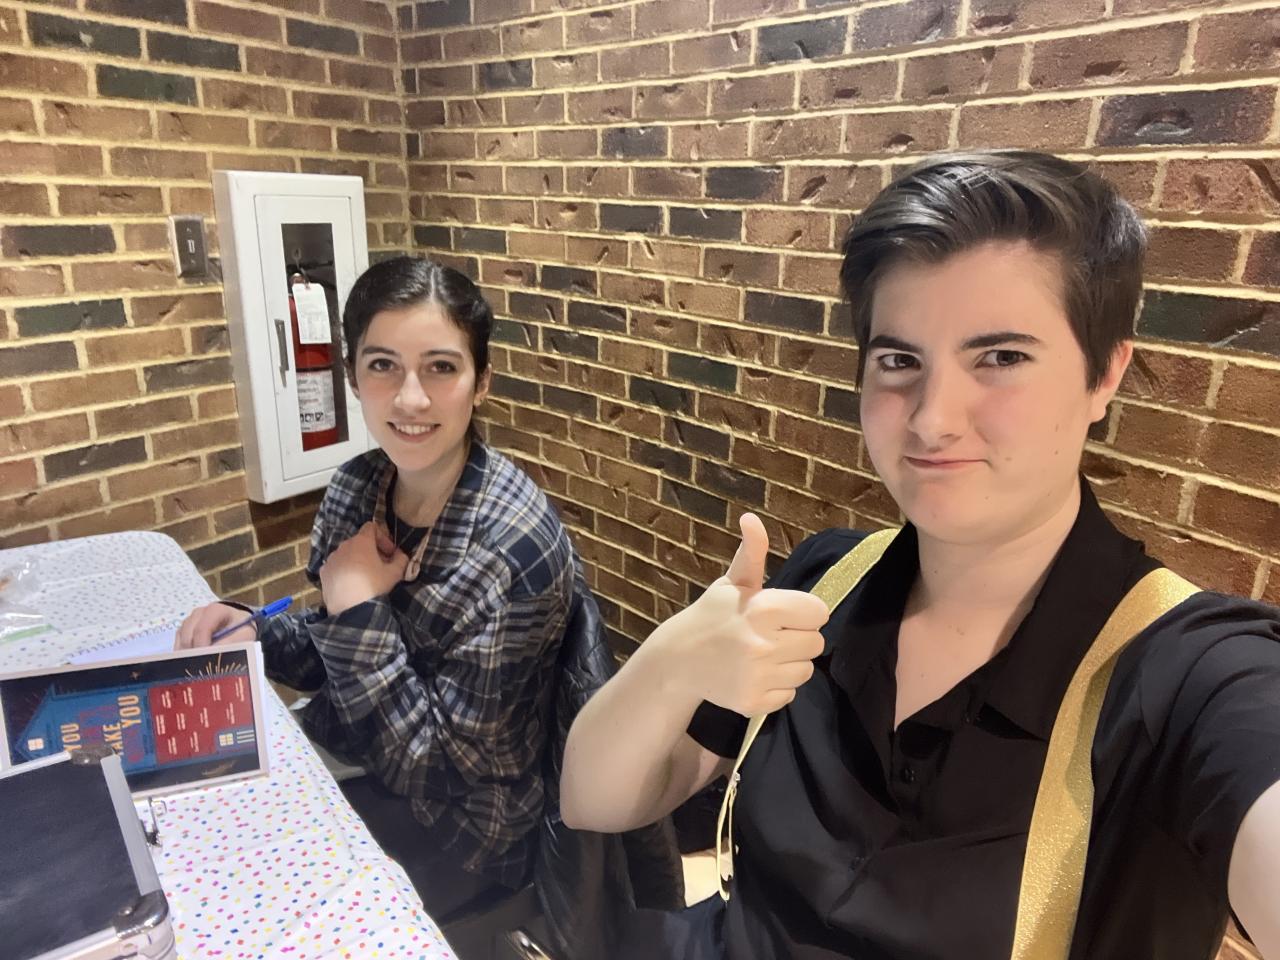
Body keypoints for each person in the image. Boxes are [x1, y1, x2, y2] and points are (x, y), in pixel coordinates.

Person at [559, 151, 1280, 959]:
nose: (933, 418)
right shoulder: (824, 583)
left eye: (1000, 358)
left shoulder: (1188, 676)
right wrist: (671, 664)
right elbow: (594, 801)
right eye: (899, 361)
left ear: (1104, 373)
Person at [178, 256, 579, 918]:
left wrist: (358, 605)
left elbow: (432, 769)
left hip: (462, 831)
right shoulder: (358, 486)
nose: (410, 399)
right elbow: (331, 654)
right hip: (359, 754)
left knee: (247, 899)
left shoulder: (510, 550)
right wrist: (256, 631)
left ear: (481, 382)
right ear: (352, 377)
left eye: (441, 367)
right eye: (383, 365)